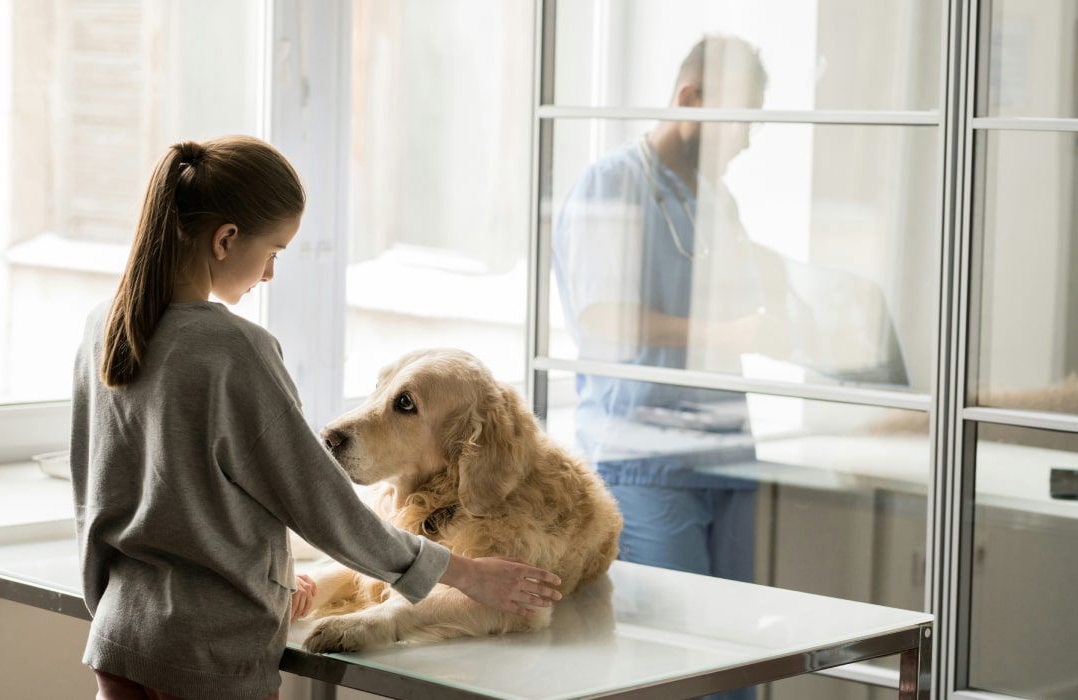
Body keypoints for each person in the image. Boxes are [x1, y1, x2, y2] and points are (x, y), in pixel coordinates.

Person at [70, 135, 562, 700]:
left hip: (118, 639)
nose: (271, 274)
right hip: (212, 656)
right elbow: (323, 505)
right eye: (274, 252)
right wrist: (469, 574)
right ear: (226, 239)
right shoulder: (235, 350)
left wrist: (267, 581)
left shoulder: (101, 325)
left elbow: (96, 495)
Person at [552, 36, 768, 700]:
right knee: (678, 669)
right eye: (743, 122)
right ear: (690, 99)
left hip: (724, 454)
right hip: (645, 463)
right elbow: (603, 316)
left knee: (742, 662)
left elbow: (748, 297)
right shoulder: (613, 182)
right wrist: (723, 330)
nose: (748, 143)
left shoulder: (716, 201)